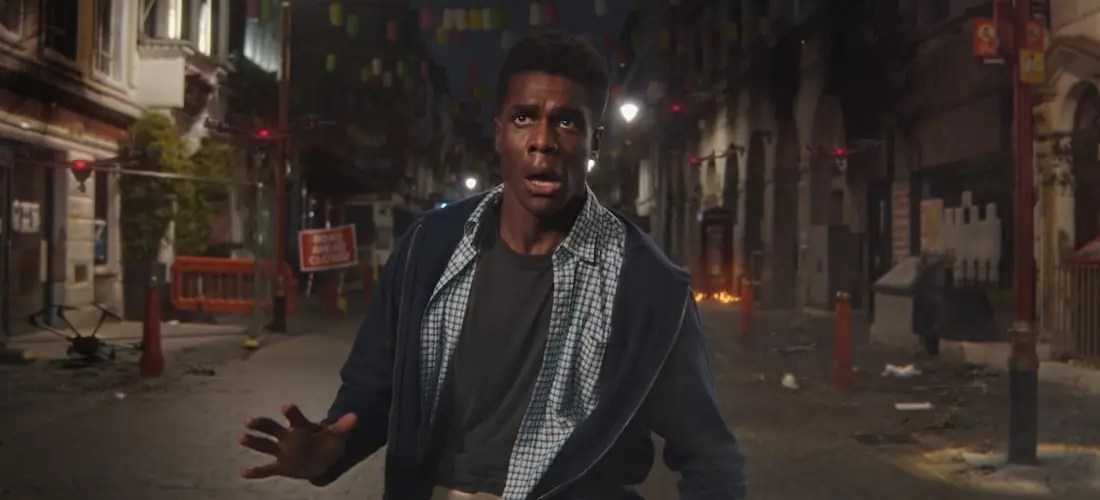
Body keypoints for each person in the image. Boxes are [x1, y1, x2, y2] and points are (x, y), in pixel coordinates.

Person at [238, 31, 746, 500]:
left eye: (567, 121)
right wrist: (330, 450)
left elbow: (710, 456)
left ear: (594, 141)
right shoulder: (428, 249)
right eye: (524, 118)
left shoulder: (646, 283)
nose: (543, 140)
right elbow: (373, 391)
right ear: (499, 132)